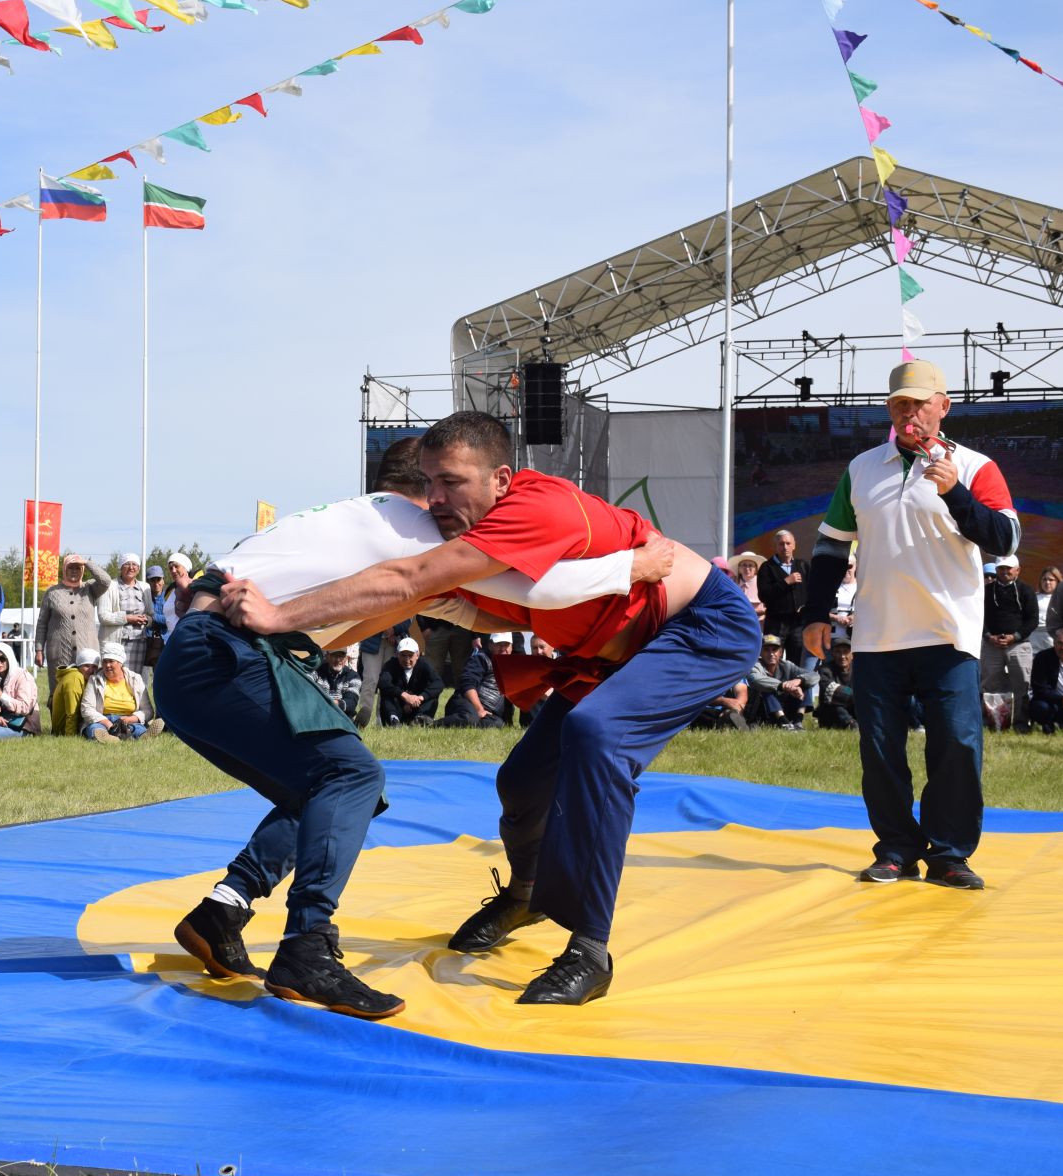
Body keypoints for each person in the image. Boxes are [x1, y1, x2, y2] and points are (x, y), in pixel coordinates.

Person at [213, 415, 735, 1009]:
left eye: (451, 482)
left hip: (696, 626)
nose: (436, 499)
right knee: (521, 781)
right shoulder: (461, 535)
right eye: (429, 483)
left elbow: (437, 580)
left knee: (596, 736)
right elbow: (428, 600)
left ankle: (590, 949)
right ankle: (526, 893)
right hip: (608, 649)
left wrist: (280, 618)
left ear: (502, 480)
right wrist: (286, 636)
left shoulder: (539, 511)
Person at [803, 360, 1017, 891]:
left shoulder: (974, 467)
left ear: (944, 406)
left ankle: (948, 854)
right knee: (879, 749)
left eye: (921, 402)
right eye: (900, 403)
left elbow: (1005, 540)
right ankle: (896, 848)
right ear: (890, 409)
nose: (910, 412)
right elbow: (831, 547)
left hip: (949, 633)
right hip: (877, 634)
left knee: (957, 746)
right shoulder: (861, 467)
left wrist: (956, 495)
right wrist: (813, 613)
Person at [36, 554, 113, 701]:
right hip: (59, 652)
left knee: (88, 690)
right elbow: (42, 624)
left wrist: (86, 562)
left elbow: (106, 580)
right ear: (64, 569)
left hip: (87, 650)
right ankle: (58, 723)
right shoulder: (52, 592)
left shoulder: (90, 588)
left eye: (78, 568)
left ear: (83, 570)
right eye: (70, 567)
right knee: (59, 689)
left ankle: (86, 723)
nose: (74, 570)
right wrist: (39, 649)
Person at [980, 555, 1039, 733]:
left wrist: (1015, 636)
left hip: (1019, 645)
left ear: (1017, 570)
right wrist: (989, 636)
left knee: (1022, 685)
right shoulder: (986, 591)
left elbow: (1032, 619)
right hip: (991, 645)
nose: (1005, 572)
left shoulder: (1026, 591)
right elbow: (978, 616)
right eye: (1001, 568)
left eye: (1008, 568)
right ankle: (994, 723)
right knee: (990, 685)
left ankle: (1021, 724)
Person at [82, 641, 160, 742]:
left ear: (120, 662)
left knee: (136, 728)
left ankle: (143, 735)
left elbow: (148, 711)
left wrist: (131, 719)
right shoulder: (94, 680)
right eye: (104, 661)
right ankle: (107, 737)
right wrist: (107, 723)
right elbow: (86, 708)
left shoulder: (135, 679)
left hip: (128, 720)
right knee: (95, 728)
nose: (107, 665)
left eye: (111, 661)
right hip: (102, 720)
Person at [440, 633, 515, 728]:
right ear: (490, 645)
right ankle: (431, 723)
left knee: (498, 724)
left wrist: (509, 722)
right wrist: (479, 709)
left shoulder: (512, 667)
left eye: (506, 644)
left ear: (511, 647)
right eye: (499, 644)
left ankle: (463, 722)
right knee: (469, 718)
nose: (503, 648)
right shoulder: (480, 659)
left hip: (489, 712)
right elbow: (468, 685)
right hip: (466, 702)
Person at [756, 530, 809, 663]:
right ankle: (773, 684)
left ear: (794, 545)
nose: (785, 547)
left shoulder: (802, 565)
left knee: (795, 660)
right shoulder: (767, 568)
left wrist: (805, 607)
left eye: (788, 543)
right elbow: (764, 595)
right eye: (781, 544)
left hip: (797, 624)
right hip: (776, 623)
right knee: (771, 660)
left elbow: (812, 591)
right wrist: (786, 582)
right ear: (776, 546)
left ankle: (793, 684)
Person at [377, 637, 443, 726]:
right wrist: (404, 695)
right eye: (403, 655)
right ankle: (393, 720)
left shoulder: (425, 665)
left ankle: (420, 719)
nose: (407, 659)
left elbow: (438, 683)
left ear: (417, 655)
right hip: (397, 707)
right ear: (397, 654)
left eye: (410, 655)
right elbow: (383, 683)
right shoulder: (390, 665)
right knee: (386, 694)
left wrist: (421, 697)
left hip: (418, 706)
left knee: (433, 696)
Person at [98, 554, 154, 659]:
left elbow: (151, 615)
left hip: (139, 642)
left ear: (138, 568)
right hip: (115, 642)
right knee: (114, 674)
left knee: (135, 675)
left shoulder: (145, 587)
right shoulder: (109, 586)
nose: (131, 567)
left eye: (135, 564)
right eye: (127, 564)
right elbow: (103, 616)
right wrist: (128, 618)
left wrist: (146, 620)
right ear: (120, 567)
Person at [747, 634, 808, 728]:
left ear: (781, 652)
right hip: (764, 712)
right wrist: (783, 685)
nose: (771, 654)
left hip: (786, 707)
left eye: (774, 650)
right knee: (766, 687)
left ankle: (798, 721)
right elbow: (755, 678)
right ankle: (784, 723)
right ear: (760, 653)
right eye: (766, 650)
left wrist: (799, 680)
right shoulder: (755, 664)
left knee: (806, 682)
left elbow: (814, 676)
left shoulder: (787, 665)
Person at [0, 644, 40, 735]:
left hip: (22, 724)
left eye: (2, 659)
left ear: (9, 658)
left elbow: (25, 707)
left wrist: (2, 696)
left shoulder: (23, 677)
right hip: (1, 719)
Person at [48, 647, 97, 737]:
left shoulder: (82, 677)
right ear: (79, 666)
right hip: (65, 730)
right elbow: (71, 713)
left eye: (94, 666)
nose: (91, 670)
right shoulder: (74, 679)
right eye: (86, 666)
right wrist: (70, 736)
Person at [816, 638, 858, 730]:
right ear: (832, 654)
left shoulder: (860, 669)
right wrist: (853, 694)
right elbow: (829, 689)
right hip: (832, 713)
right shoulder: (824, 669)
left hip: (854, 708)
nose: (842, 656)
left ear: (852, 654)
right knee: (833, 701)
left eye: (846, 652)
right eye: (838, 652)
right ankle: (851, 724)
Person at [313, 647, 361, 718]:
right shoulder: (317, 671)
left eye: (341, 656)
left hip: (342, 718)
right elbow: (306, 684)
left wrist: (336, 704)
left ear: (345, 658)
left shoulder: (353, 676)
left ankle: (357, 724)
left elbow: (352, 702)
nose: (338, 659)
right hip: (319, 714)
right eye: (335, 655)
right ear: (327, 656)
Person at [159, 554, 195, 644]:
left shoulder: (194, 586)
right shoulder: (171, 591)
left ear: (186, 567)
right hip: (171, 640)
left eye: (176, 566)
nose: (173, 571)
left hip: (187, 639)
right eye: (171, 568)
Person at [1030, 567, 1063, 654]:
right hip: (1033, 640)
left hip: (1053, 640)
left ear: (1057, 581)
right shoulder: (1033, 597)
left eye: (1051, 580)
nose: (1047, 582)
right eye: (1044, 579)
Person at [730, 552, 766, 626]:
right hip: (737, 623)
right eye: (744, 565)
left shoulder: (763, 583)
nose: (747, 568)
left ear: (756, 569)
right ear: (739, 569)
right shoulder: (732, 583)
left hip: (759, 624)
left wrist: (761, 611)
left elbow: (771, 606)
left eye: (750, 565)